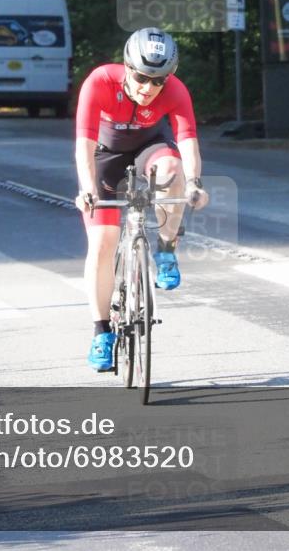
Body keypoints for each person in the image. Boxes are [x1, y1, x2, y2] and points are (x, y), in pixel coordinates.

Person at [74, 27, 210, 371]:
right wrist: (87, 189)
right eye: (141, 77)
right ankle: (102, 332)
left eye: (158, 81)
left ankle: (166, 250)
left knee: (171, 168)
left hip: (150, 147)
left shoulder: (176, 91)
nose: (148, 88)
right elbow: (84, 145)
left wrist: (194, 183)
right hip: (106, 156)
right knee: (103, 243)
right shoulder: (100, 82)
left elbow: (188, 140)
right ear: (126, 66)